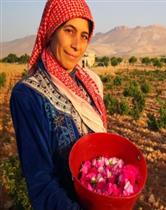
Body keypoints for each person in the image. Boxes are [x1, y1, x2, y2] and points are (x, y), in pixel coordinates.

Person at [10, 0, 107, 209]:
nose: (77, 45)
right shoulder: (29, 95)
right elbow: (41, 183)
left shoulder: (90, 84)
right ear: (52, 31)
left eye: (84, 36)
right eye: (69, 31)